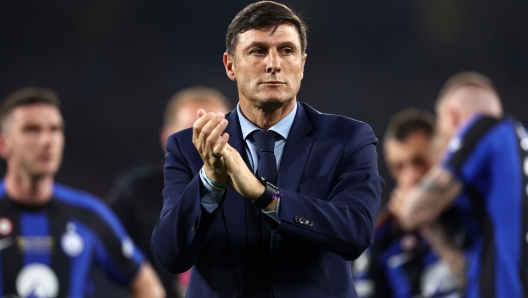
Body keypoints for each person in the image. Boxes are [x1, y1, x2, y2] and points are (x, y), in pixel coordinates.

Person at [151, 1, 385, 297]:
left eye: (287, 51)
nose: (274, 63)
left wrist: (265, 196)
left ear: (302, 64)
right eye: (258, 50)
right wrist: (210, 181)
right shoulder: (190, 146)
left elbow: (356, 232)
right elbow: (170, 254)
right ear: (230, 65)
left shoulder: (347, 138)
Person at [0, 87, 165, 297]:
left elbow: (146, 284)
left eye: (55, 129)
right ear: (4, 144)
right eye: (32, 130)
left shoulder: (89, 215)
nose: (46, 141)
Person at [390, 71, 528, 297]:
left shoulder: (485, 128)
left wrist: (409, 202)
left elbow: (413, 210)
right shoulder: (517, 150)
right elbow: (466, 274)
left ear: (452, 115)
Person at [107, 87, 232, 297]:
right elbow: (97, 236)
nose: (206, 143)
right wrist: (137, 273)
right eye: (193, 133)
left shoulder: (250, 190)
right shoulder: (137, 192)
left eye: (216, 132)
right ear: (167, 139)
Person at [352, 109, 465, 298]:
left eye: (419, 162)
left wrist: (428, 225)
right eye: (399, 167)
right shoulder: (379, 236)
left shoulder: (472, 218)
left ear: (443, 156)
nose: (409, 177)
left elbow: (483, 286)